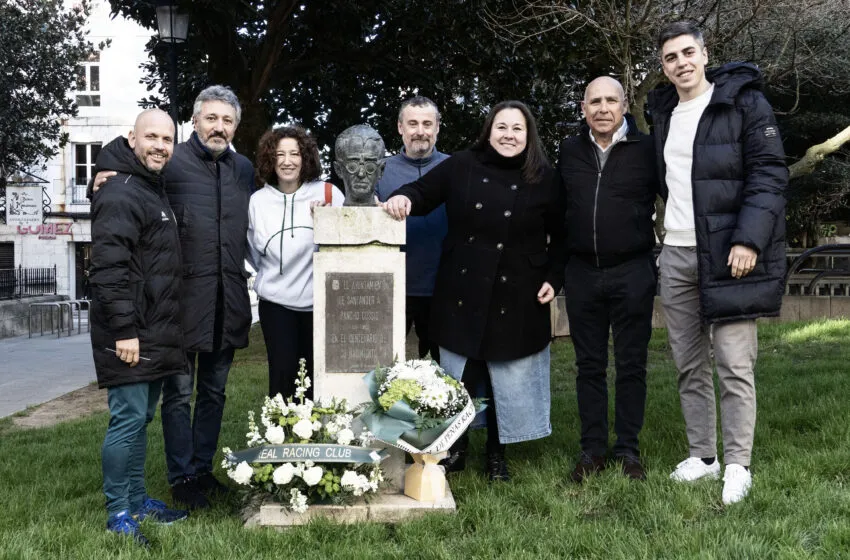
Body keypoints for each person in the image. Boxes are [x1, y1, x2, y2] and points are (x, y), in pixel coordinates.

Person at [383, 100, 565, 482]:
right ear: (489, 131)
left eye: (518, 129)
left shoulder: (545, 176)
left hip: (517, 291)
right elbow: (423, 190)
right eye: (502, 127)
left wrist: (553, 276)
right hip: (463, 288)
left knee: (503, 376)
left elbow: (563, 235)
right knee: (461, 377)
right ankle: (457, 447)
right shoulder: (463, 165)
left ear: (528, 135)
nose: (509, 135)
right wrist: (404, 198)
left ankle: (497, 456)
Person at [93, 86, 255, 509]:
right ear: (195, 121)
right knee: (178, 396)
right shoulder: (172, 161)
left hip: (228, 302)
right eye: (211, 118)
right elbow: (130, 157)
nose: (219, 127)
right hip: (178, 309)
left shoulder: (244, 170)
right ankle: (181, 476)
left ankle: (203, 469)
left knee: (214, 394)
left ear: (235, 127)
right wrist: (104, 164)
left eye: (227, 120)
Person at [648, 21, 788, 504]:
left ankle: (737, 464)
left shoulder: (743, 102)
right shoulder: (664, 113)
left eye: (688, 52)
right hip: (678, 252)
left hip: (730, 253)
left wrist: (748, 239)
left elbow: (769, 175)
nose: (681, 63)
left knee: (733, 362)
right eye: (671, 57)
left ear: (705, 55)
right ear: (663, 67)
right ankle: (703, 457)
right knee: (688, 362)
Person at [89, 109, 188, 547]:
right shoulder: (121, 192)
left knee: (141, 418)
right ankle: (119, 512)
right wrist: (124, 331)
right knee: (128, 420)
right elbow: (108, 268)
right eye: (152, 137)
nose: (160, 146)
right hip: (130, 333)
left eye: (167, 139)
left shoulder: (148, 187)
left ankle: (137, 497)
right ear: (132, 139)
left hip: (154, 331)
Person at [555, 77, 659, 482]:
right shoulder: (569, 150)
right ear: (583, 107)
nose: (602, 108)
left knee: (632, 365)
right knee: (589, 366)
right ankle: (592, 450)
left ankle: (628, 450)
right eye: (594, 101)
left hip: (632, 270)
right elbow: (557, 212)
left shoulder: (647, 149)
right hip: (582, 273)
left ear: (624, 105)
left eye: (610, 100)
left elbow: (675, 195)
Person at [248, 126, 344, 399]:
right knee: (282, 375)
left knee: (318, 377)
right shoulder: (257, 201)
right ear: (270, 159)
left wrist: (324, 222)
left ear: (306, 158)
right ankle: (282, 437)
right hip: (276, 305)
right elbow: (253, 252)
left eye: (295, 153)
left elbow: (344, 245)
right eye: (280, 154)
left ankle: (318, 437)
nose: (287, 160)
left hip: (321, 305)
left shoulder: (328, 193)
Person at [376, 96, 450, 362]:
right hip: (394, 288)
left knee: (451, 374)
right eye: (413, 123)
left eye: (427, 124)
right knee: (386, 369)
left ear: (438, 128)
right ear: (400, 127)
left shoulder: (455, 168)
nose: (420, 131)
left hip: (445, 288)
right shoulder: (378, 171)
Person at [334, 124, 386, 206]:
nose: (361, 173)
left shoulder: (392, 217)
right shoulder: (326, 216)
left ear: (381, 170)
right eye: (352, 166)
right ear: (338, 169)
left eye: (370, 166)